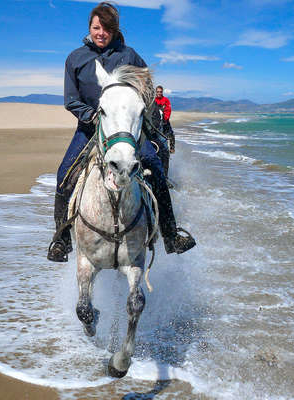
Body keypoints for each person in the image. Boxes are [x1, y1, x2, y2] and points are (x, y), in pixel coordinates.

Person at [47, 2, 195, 262]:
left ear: (114, 30)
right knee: (64, 174)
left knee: (155, 167)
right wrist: (91, 116)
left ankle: (171, 235)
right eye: (96, 28)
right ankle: (60, 241)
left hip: (126, 131)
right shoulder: (76, 58)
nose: (100, 33)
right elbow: (71, 100)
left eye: (106, 28)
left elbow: (148, 89)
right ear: (89, 28)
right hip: (91, 127)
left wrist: (139, 112)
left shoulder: (130, 55)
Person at [154, 85, 176, 157]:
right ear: (156, 92)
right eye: (158, 92)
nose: (159, 93)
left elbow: (168, 110)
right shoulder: (153, 100)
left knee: (171, 133)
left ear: (162, 92)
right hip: (155, 121)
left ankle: (172, 148)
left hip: (164, 120)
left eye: (160, 92)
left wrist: (165, 119)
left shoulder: (166, 100)